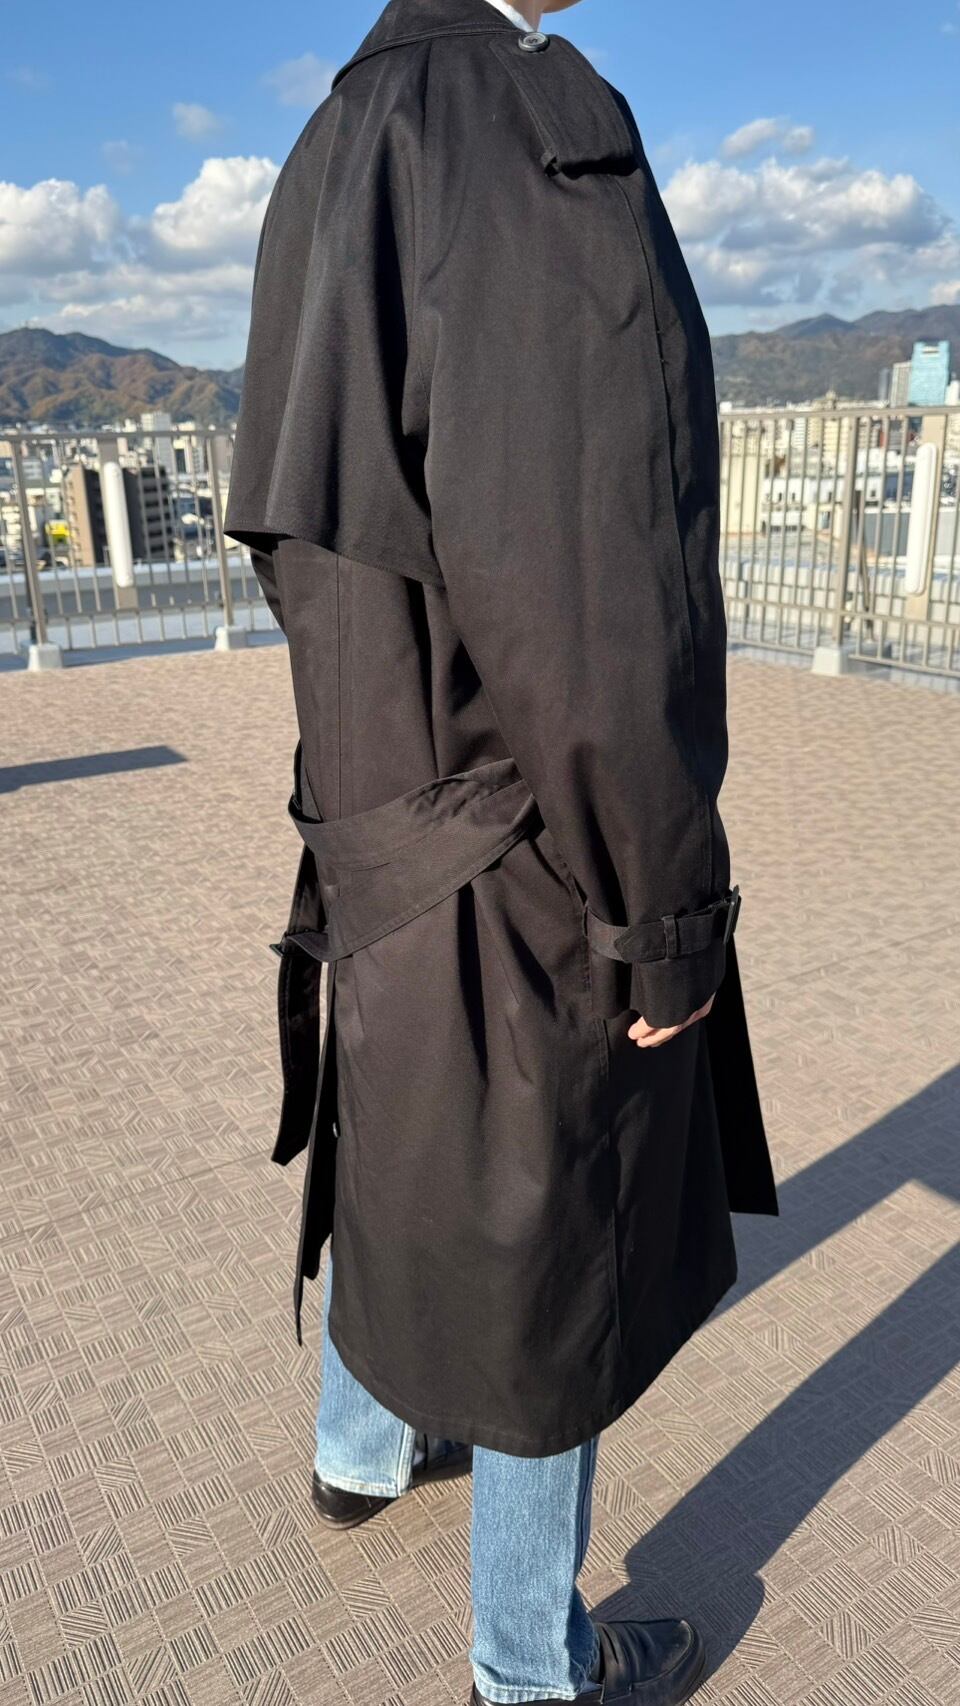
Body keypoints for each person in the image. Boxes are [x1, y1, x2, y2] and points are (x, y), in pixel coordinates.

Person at [225, 0, 779, 1700]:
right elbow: (599, 587)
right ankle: (530, 1667)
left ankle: (364, 1444)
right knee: (549, 1231)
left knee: (406, 1128)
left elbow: (298, 524)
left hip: (371, 801)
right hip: (515, 838)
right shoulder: (535, 129)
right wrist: (664, 917)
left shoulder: (336, 139)